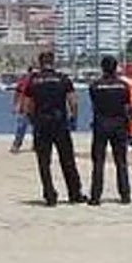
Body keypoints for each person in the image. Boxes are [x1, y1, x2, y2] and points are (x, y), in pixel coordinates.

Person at [23, 51, 85, 207]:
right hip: (60, 123)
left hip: (42, 123)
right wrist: (73, 118)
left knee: (44, 161)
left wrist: (32, 119)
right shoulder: (63, 79)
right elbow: (73, 101)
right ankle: (75, 193)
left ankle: (50, 195)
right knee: (68, 159)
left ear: (40, 63)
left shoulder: (34, 81)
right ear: (53, 62)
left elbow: (27, 105)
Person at [88, 55, 132, 205]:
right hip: (119, 124)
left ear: (102, 68)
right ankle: (125, 195)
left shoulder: (95, 86)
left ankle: (95, 196)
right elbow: (126, 107)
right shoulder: (124, 86)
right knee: (121, 162)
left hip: (101, 124)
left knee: (98, 162)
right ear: (116, 67)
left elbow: (95, 105)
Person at [10, 66, 34, 153]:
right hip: (23, 108)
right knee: (21, 127)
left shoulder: (37, 82)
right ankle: (16, 145)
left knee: (36, 128)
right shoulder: (23, 82)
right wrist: (15, 105)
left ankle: (35, 144)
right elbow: (17, 94)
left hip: (36, 108)